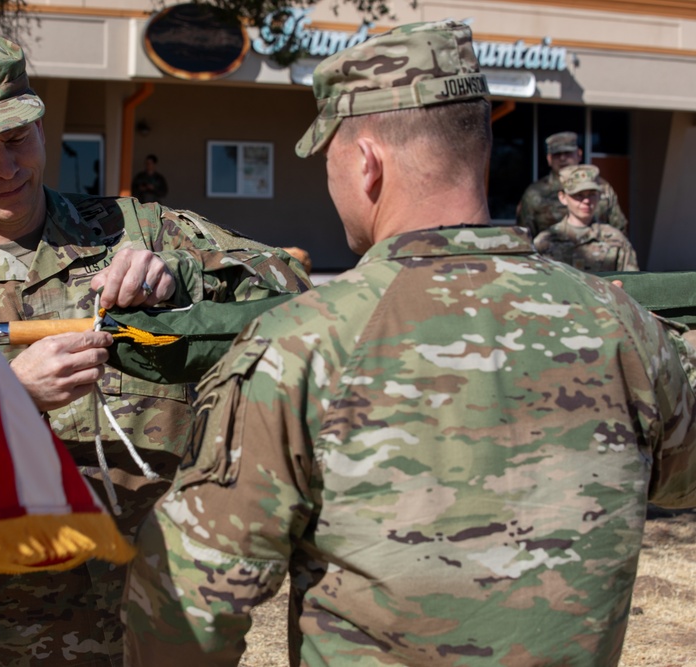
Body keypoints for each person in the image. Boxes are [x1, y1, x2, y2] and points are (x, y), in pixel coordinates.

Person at [122, 20, 696, 666]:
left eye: (330, 159)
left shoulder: (301, 346)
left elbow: (187, 605)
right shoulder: (624, 327)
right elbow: (680, 479)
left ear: (367, 164)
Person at [0, 30, 311, 667]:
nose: (6, 167)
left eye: (17, 140)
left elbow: (295, 289)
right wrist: (8, 397)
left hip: (162, 608)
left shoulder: (139, 229)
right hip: (8, 626)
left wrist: (181, 275)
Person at [517, 130, 628, 237]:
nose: (562, 158)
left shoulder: (601, 187)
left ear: (579, 154)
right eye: (557, 154)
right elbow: (524, 234)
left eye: (568, 153)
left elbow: (619, 228)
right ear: (549, 159)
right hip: (549, 254)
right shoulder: (535, 193)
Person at [534, 164, 639, 272]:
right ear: (563, 197)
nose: (586, 201)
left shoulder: (616, 240)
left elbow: (630, 282)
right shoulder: (545, 242)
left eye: (592, 194)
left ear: (599, 195)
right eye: (579, 195)